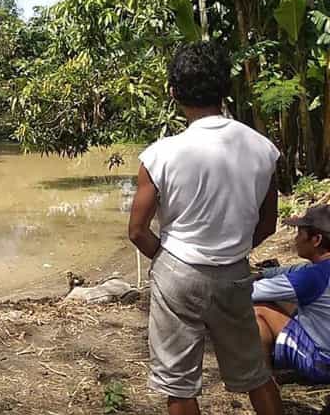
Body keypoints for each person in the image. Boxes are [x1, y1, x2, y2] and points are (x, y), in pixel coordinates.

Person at [128, 41, 283, 415]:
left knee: (179, 385)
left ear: (173, 92)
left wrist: (168, 259)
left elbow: (137, 231)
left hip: (177, 271)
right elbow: (267, 223)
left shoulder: (160, 154)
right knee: (255, 373)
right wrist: (233, 248)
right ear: (226, 88)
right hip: (234, 272)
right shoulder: (262, 148)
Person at [252, 205, 330, 383]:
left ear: (316, 240)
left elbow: (249, 293)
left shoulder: (313, 276)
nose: (295, 239)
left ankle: (264, 381)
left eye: (300, 234)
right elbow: (292, 270)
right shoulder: (318, 270)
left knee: (258, 310)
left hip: (323, 364)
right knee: (290, 303)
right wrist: (262, 273)